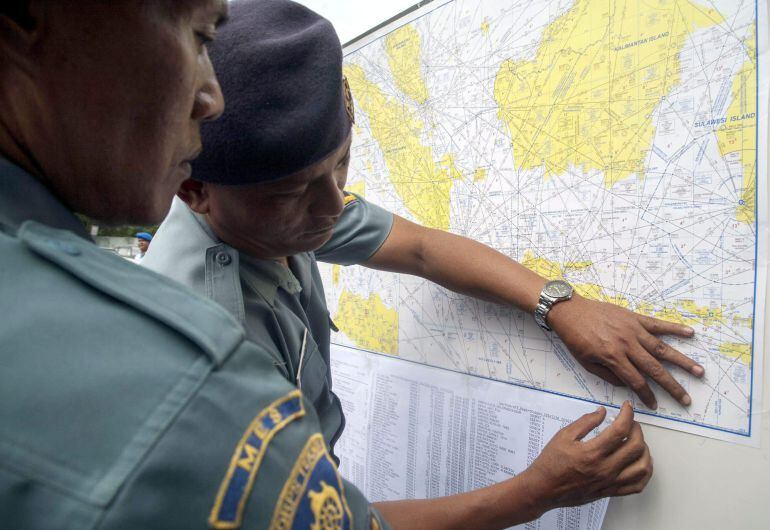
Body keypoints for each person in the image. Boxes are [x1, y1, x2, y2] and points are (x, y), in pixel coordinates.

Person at [144, 1, 681, 527]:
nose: (333, 206)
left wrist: (559, 304)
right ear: (194, 190)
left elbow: (420, 249)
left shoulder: (265, 211)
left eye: (342, 164)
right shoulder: (210, 346)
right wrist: (538, 492)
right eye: (296, 193)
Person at [0, 1, 388, 528]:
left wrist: (543, 297)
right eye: (201, 35)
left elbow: (408, 244)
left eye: (340, 163)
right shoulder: (193, 381)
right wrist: (537, 489)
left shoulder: (279, 210)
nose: (212, 98)